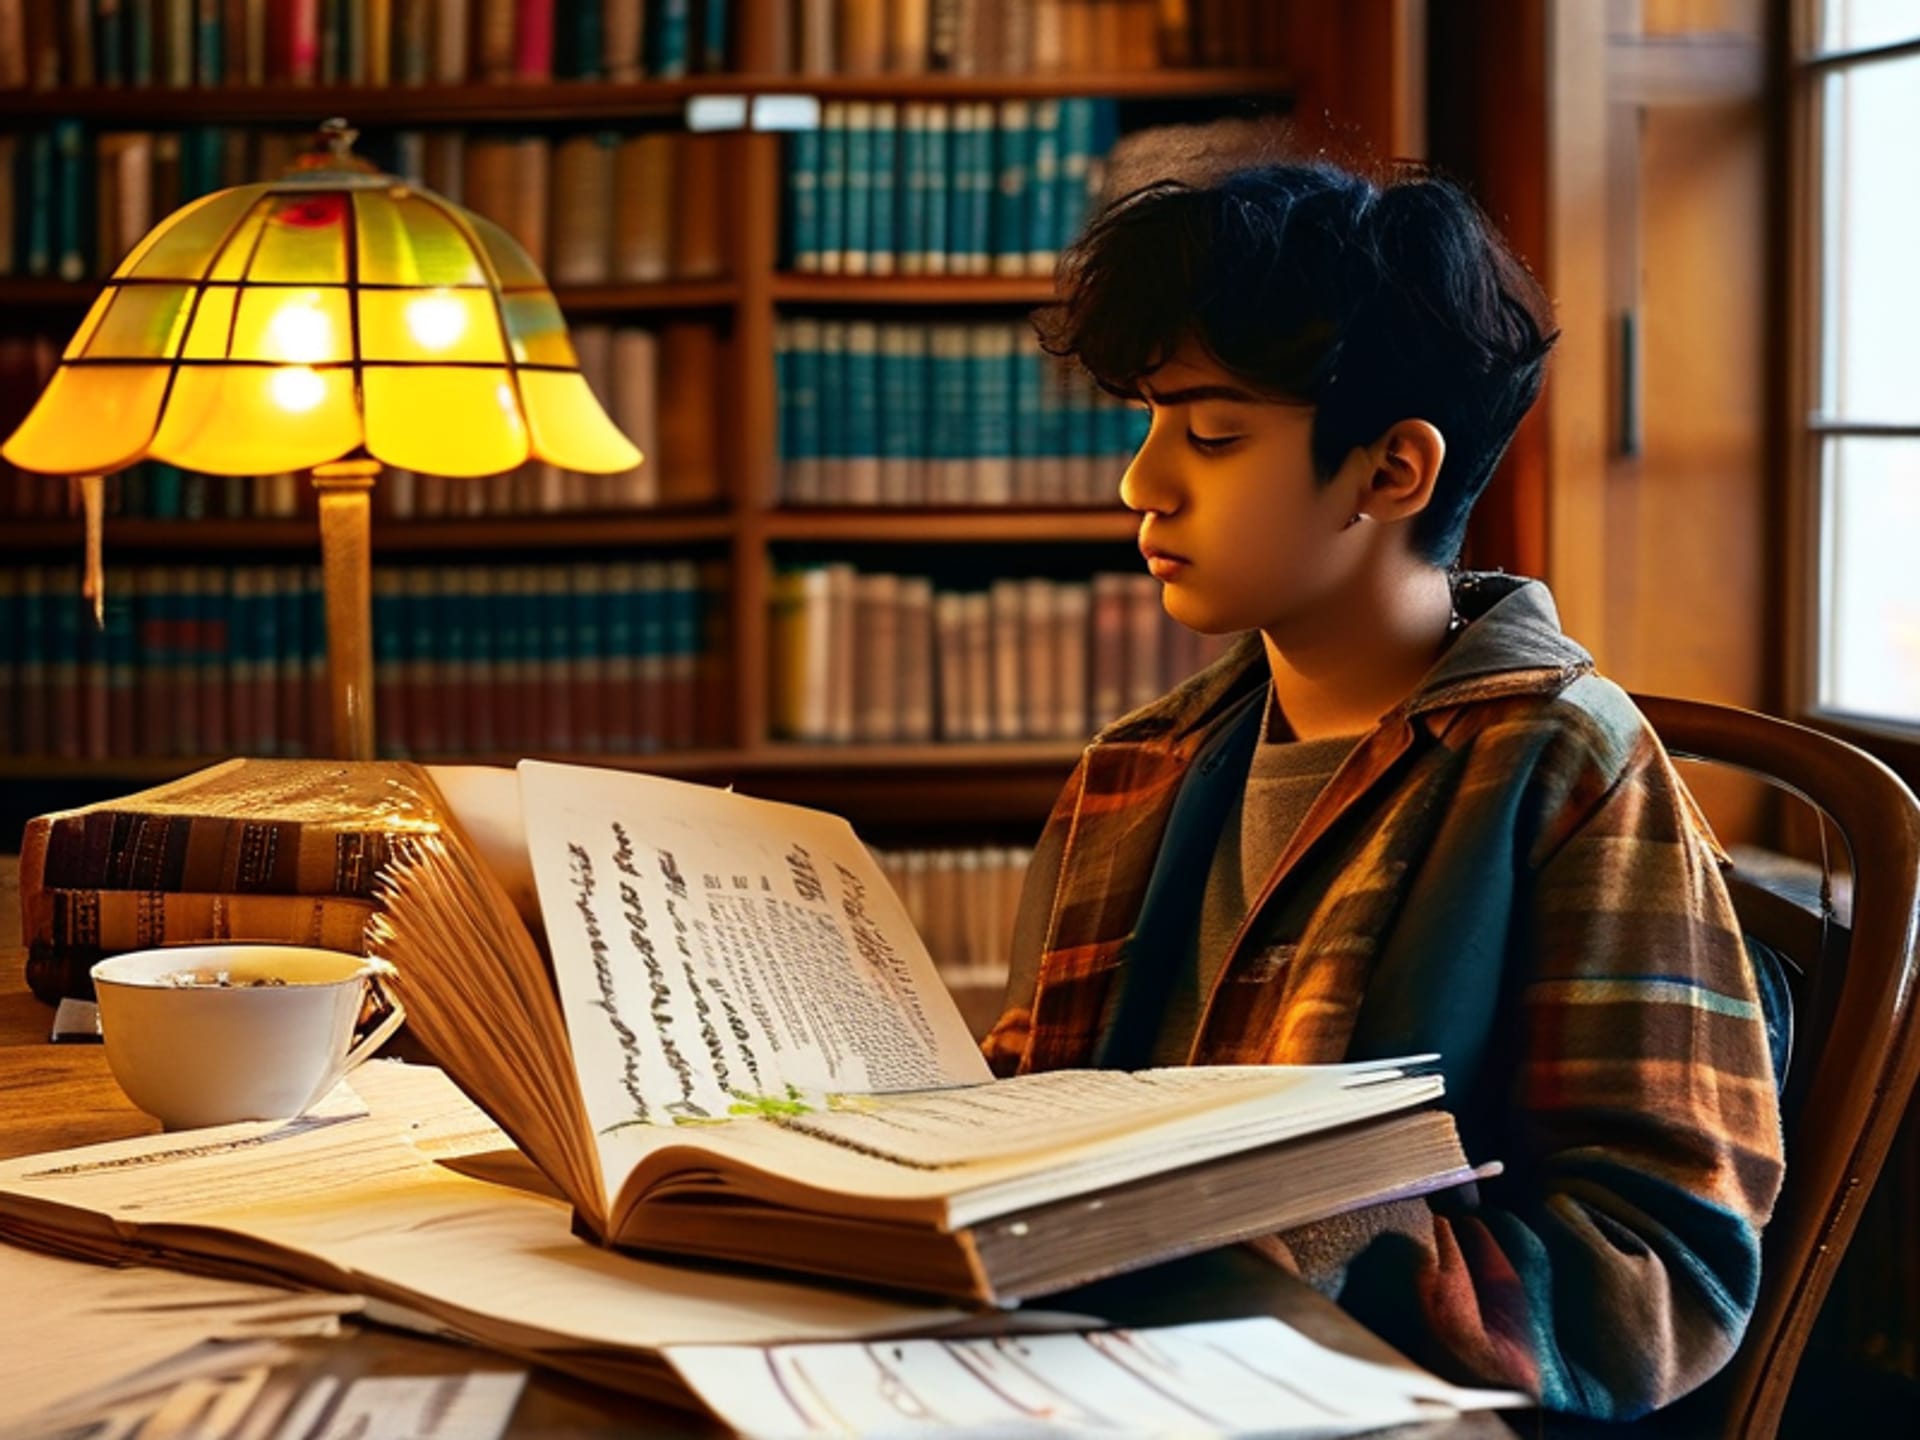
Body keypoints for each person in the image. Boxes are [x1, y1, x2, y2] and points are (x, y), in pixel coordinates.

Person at [983, 161, 1784, 1422]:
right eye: (1146, 424)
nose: (1142, 483)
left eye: (1212, 435)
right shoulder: (1141, 765)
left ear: (1393, 471)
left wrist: (1305, 1251)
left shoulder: (1563, 766)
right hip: (1083, 1376)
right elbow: (1026, 1112)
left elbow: (1663, 1265)